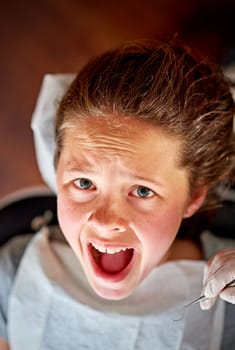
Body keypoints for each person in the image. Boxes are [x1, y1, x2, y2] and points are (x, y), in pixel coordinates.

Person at [0, 40, 235, 349]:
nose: (105, 221)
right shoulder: (12, 274)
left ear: (193, 197)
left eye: (141, 190)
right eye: (84, 183)